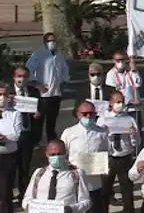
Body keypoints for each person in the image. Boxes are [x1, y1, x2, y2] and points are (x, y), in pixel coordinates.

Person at [61, 101, 109, 213]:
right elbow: (63, 155)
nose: (88, 116)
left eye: (91, 113)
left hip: (94, 184)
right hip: (75, 184)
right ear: (78, 114)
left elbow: (106, 153)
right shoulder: (69, 133)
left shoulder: (102, 132)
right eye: (85, 113)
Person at [96, 91, 139, 213]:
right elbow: (98, 140)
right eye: (117, 102)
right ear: (111, 103)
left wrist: (133, 135)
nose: (120, 104)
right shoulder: (103, 119)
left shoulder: (129, 119)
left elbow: (137, 142)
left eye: (122, 102)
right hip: (108, 157)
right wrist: (104, 134)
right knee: (105, 189)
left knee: (126, 189)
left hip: (124, 157)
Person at [22, 140, 91, 212]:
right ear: (47, 154)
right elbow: (27, 198)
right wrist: (32, 207)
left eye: (59, 154)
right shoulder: (39, 173)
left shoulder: (77, 174)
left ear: (65, 154)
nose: (56, 157)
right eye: (53, 155)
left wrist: (71, 209)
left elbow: (86, 202)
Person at [25, 32, 70, 144]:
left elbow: (65, 70)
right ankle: (36, 143)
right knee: (38, 122)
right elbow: (28, 69)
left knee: (52, 122)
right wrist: (36, 84)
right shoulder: (38, 55)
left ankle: (52, 143)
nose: (52, 43)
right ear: (45, 42)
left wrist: (64, 82)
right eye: (50, 41)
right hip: (43, 95)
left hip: (56, 94)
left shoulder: (59, 55)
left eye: (54, 40)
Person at [11, 67, 42, 204]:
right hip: (11, 136)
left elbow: (40, 111)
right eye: (19, 76)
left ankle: (23, 194)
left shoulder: (34, 92)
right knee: (9, 167)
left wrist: (38, 114)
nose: (21, 79)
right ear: (14, 77)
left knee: (25, 166)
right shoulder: (8, 93)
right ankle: (7, 192)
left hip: (28, 134)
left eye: (24, 76)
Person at [0, 83, 23, 213]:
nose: (2, 97)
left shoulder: (15, 114)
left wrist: (4, 138)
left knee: (5, 192)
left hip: (8, 157)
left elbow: (16, 136)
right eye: (0, 94)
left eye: (5, 94)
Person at [105, 51, 141, 117]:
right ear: (113, 61)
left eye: (122, 60)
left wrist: (134, 71)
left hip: (133, 108)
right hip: (119, 109)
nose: (120, 62)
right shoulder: (110, 74)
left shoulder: (131, 71)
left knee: (136, 126)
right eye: (118, 60)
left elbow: (138, 84)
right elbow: (111, 92)